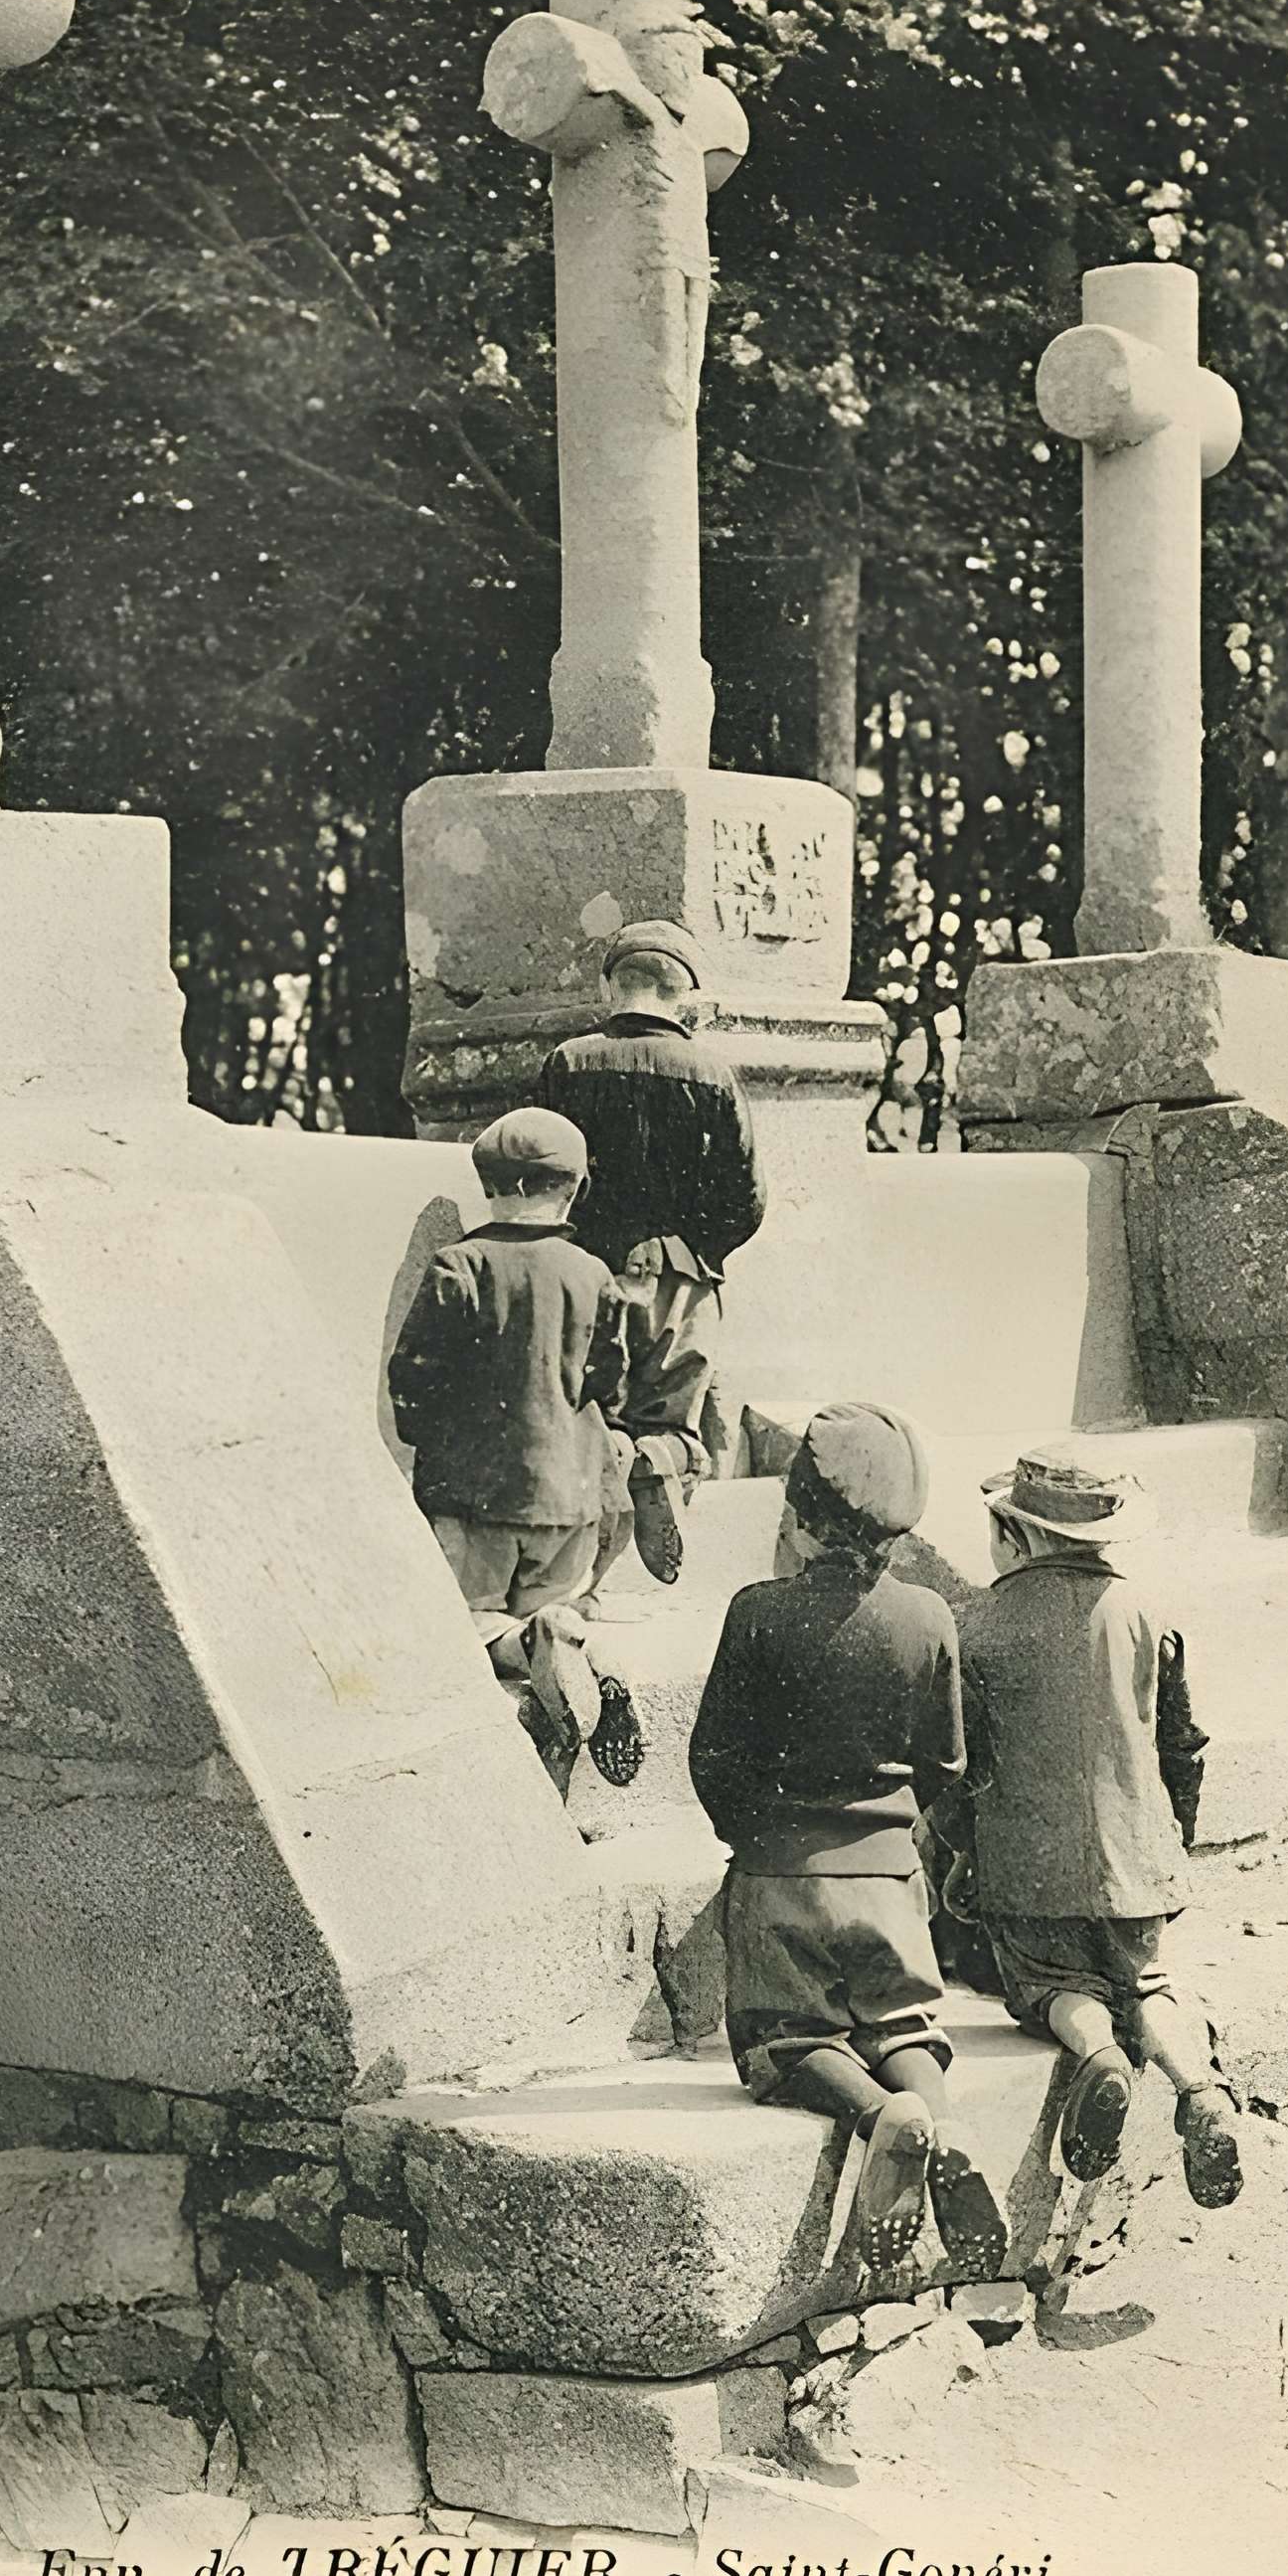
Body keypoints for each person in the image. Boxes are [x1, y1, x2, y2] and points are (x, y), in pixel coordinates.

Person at [688, 1403, 1008, 2282]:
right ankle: (942, 2121)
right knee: (903, 2023)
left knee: (788, 2042)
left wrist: (751, 1840)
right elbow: (947, 1762)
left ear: (795, 1518)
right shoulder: (929, 1618)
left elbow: (711, 1757)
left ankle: (880, 2121)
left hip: (781, 1874)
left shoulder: (757, 1613)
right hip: (889, 1880)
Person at [940, 1451, 1241, 2210]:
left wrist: (960, 1853)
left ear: (1018, 1532)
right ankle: (1198, 2088)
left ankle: (1096, 2053)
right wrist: (1171, 1836)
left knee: (1051, 1984)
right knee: (1148, 1982)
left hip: (1026, 1869)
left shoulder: (974, 1628)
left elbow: (957, 1766)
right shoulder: (1147, 1612)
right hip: (1135, 1864)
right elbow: (1183, 1744)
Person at [387, 1107, 644, 1798]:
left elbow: (411, 1378)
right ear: (574, 1189)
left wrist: (431, 1445)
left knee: (467, 1628)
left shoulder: (458, 1265)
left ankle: (531, 1646)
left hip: (475, 1499)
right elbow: (609, 1379)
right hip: (572, 1498)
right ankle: (566, 1646)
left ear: (488, 1184)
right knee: (552, 1611)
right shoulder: (592, 1272)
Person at [537, 918, 765, 1588]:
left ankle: (584, 1582)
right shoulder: (713, 1074)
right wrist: (697, 1252)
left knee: (590, 1415)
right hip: (681, 1277)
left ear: (611, 984)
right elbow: (747, 1196)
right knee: (671, 1410)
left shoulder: (569, 1063)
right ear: (684, 994)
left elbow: (548, 1167)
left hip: (588, 1272)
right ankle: (662, 1458)